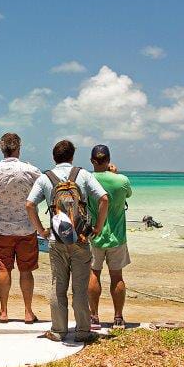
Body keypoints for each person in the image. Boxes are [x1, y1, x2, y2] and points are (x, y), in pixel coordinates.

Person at [25, 139, 108, 343]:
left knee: (58, 286)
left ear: (54, 158)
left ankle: (59, 330)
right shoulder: (83, 175)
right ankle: (82, 331)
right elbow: (104, 199)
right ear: (72, 156)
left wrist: (41, 231)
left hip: (56, 240)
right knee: (79, 288)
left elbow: (29, 205)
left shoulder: (45, 178)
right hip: (80, 239)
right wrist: (98, 227)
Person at [0, 132, 41, 324]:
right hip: (26, 227)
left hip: (2, 229)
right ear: (18, 147)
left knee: (3, 269)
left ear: (1, 148)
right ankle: (27, 312)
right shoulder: (30, 170)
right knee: (26, 271)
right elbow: (44, 187)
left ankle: (3, 311)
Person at [86, 145, 133, 330]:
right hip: (117, 237)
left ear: (92, 161)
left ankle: (94, 317)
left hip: (93, 235)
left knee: (94, 274)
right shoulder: (121, 180)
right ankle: (118, 318)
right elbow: (128, 194)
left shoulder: (87, 180)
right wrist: (115, 173)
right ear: (109, 160)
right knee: (117, 276)